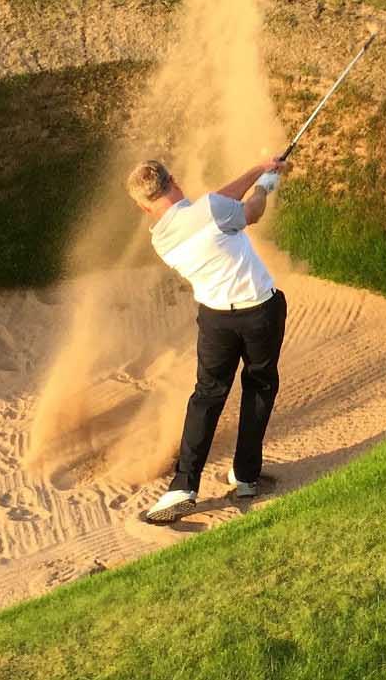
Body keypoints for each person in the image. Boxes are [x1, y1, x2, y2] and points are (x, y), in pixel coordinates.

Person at [128, 154, 290, 524]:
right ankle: (246, 476)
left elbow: (215, 206)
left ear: (143, 205)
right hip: (259, 311)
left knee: (207, 395)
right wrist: (267, 184)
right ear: (176, 181)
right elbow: (250, 212)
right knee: (259, 387)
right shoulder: (211, 210)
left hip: (216, 321)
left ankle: (184, 484)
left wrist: (255, 167)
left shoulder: (161, 238)